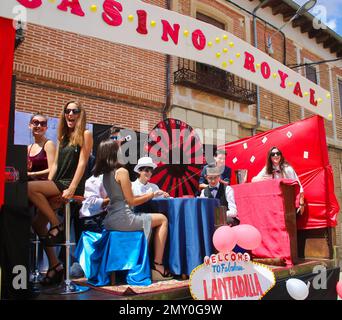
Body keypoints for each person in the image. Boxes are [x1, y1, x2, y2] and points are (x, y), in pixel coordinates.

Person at [28, 100, 93, 285]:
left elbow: (82, 162)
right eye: (67, 111)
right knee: (38, 224)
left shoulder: (85, 134)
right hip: (57, 182)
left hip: (70, 184)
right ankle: (55, 266)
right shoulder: (62, 136)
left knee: (29, 188)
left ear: (80, 114)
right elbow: (55, 164)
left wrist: (72, 187)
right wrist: (49, 185)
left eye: (74, 111)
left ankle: (57, 224)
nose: (70, 114)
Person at [92, 139, 172, 281]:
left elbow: (122, 197)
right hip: (124, 218)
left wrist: (148, 194)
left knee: (150, 218)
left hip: (110, 220)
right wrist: (152, 194)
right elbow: (131, 201)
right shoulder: (121, 171)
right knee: (163, 219)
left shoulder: (106, 174)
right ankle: (158, 264)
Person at [251, 146, 305, 215]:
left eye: (278, 153)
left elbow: (298, 186)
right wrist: (263, 179)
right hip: (274, 203)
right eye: (273, 154)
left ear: (280, 155)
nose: (276, 155)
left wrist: (301, 203)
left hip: (288, 201)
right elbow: (254, 180)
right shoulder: (267, 169)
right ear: (270, 157)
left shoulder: (287, 168)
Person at [27, 113, 56, 181]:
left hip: (42, 186)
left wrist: (32, 174)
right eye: (36, 122)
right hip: (29, 184)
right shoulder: (29, 147)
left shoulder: (48, 144)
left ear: (46, 128)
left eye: (43, 124)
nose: (39, 126)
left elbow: (53, 169)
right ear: (30, 125)